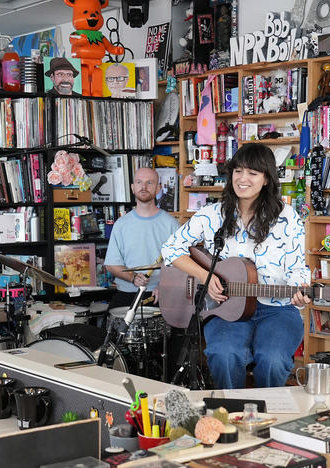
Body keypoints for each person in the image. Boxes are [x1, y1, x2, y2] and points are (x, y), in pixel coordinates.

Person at [162, 143, 311, 389]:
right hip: (225, 309)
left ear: (266, 180)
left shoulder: (288, 217)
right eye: (238, 171)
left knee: (272, 360)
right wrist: (204, 277)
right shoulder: (212, 215)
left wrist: (300, 288)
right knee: (223, 355)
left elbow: (297, 267)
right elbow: (170, 249)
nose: (243, 179)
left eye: (253, 173)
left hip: (277, 310)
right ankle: (231, 416)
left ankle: (268, 417)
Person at [105, 167, 180, 310]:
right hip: (127, 293)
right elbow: (111, 265)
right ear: (133, 188)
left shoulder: (171, 224)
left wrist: (164, 285)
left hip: (160, 294)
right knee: (108, 329)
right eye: (139, 182)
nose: (143, 187)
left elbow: (180, 264)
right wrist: (133, 277)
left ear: (158, 188)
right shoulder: (121, 224)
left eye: (149, 183)